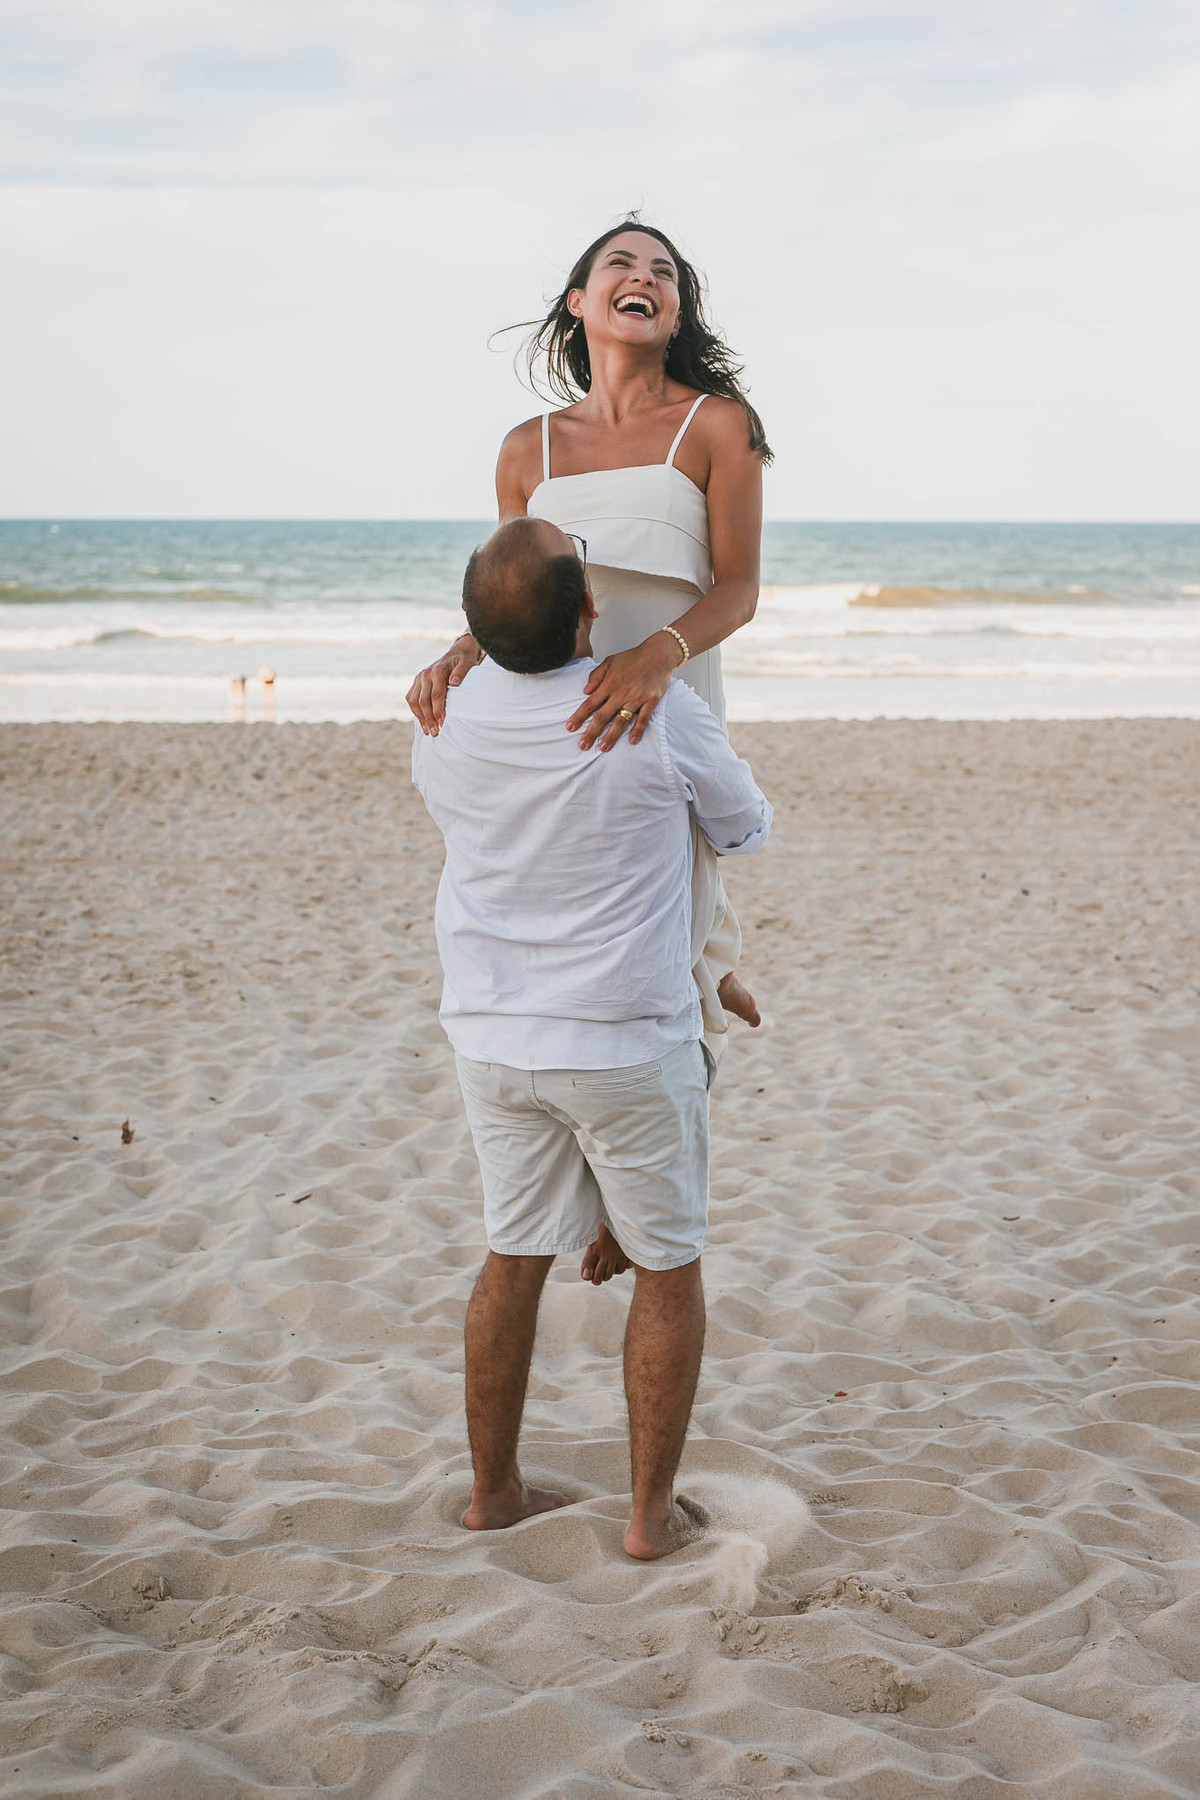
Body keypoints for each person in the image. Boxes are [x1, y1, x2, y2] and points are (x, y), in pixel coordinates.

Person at [411, 515, 772, 1560]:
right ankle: (648, 1518)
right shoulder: (655, 714)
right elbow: (747, 828)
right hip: (623, 1040)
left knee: (511, 1257)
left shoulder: (440, 712)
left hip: (491, 1036)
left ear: (470, 629)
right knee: (667, 1269)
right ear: (588, 611)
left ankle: (494, 1493)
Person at [407, 215, 772, 1073]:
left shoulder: (718, 425)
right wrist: (463, 651)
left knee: (669, 893)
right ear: (579, 302)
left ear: (675, 315)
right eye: (620, 263)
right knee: (575, 907)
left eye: (665, 272)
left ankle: (709, 979)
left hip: (665, 694)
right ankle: (712, 976)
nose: (644, 276)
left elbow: (740, 589)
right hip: (564, 720)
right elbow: (523, 591)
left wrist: (658, 657)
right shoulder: (525, 449)